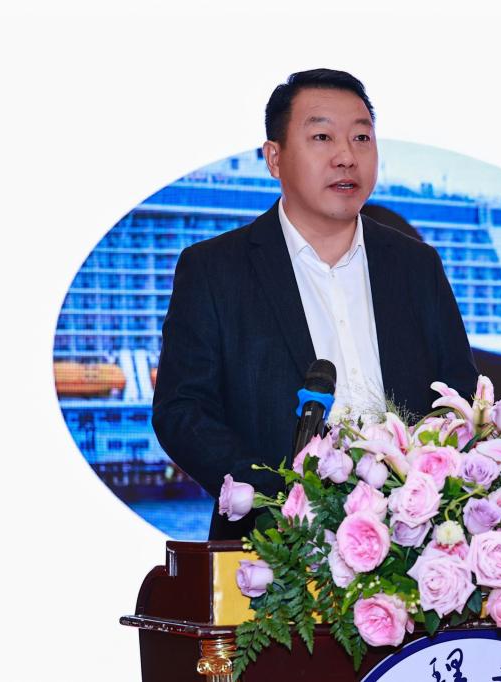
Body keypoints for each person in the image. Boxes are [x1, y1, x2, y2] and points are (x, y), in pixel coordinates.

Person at [152, 69, 478, 539]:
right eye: (322, 137)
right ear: (274, 157)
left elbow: (458, 397)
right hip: (273, 547)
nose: (346, 156)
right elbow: (183, 412)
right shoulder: (214, 269)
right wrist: (285, 497)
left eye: (361, 138)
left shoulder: (416, 265)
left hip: (414, 541)